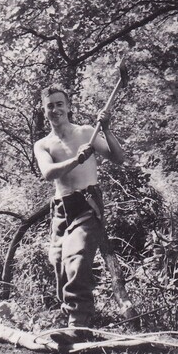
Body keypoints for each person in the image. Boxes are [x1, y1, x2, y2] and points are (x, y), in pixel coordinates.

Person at [34, 84, 126, 337]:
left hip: (87, 202)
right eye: (49, 106)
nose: (55, 109)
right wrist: (76, 159)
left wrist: (106, 129)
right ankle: (72, 319)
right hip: (61, 208)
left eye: (59, 104)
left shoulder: (87, 132)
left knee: (76, 258)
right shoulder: (43, 144)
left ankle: (78, 323)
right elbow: (47, 173)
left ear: (69, 107)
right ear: (44, 112)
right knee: (58, 264)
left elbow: (119, 158)